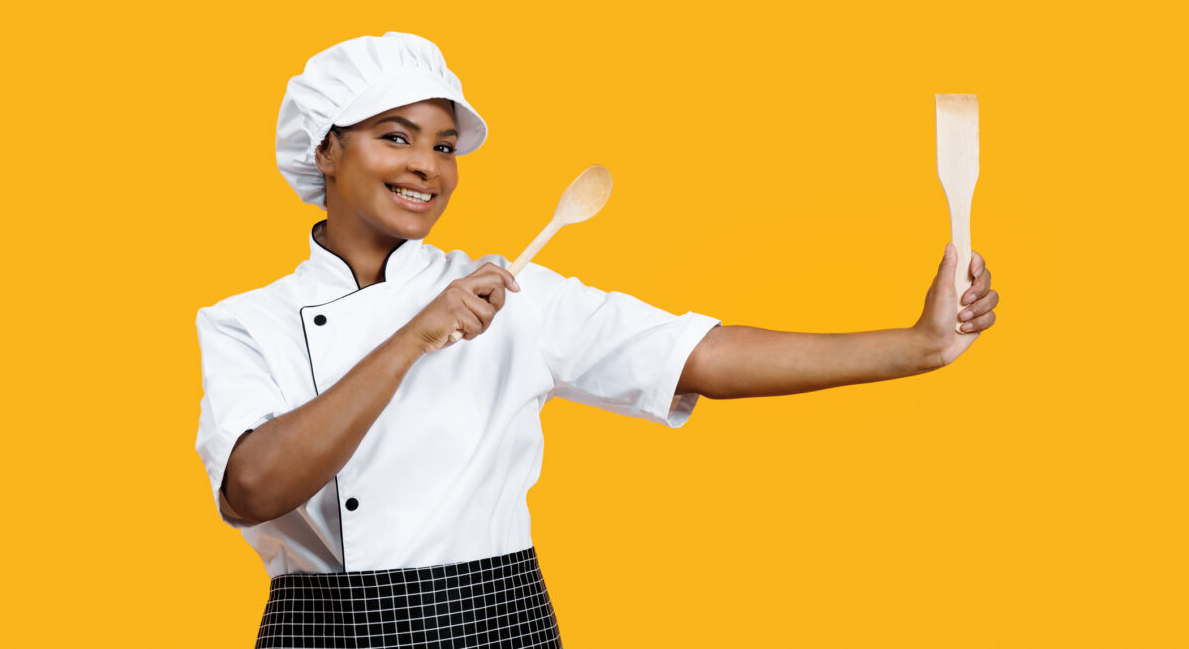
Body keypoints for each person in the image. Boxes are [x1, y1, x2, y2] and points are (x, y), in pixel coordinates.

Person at [195, 32, 999, 649]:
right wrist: (414, 336)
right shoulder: (245, 321)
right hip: (322, 631)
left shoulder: (514, 295)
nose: (429, 168)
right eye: (395, 138)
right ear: (325, 149)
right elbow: (253, 490)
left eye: (443, 146)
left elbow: (703, 356)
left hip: (491, 621)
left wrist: (916, 346)